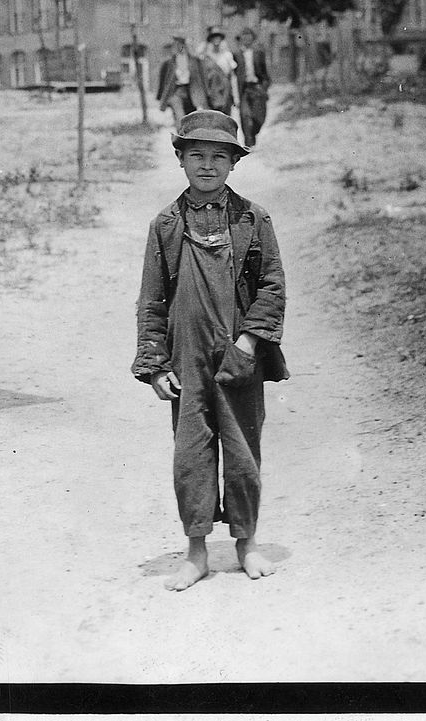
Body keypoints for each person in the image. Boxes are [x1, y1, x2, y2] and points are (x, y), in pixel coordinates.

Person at [131, 109, 289, 591]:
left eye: (219, 156)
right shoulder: (165, 224)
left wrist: (248, 340)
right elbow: (152, 298)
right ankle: (196, 551)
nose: (207, 165)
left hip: (238, 354)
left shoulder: (252, 218)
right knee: (191, 454)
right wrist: (155, 364)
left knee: (243, 451)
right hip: (187, 357)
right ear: (179, 159)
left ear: (233, 163)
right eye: (196, 154)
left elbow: (273, 286)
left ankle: (246, 543)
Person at [156, 34, 208, 128]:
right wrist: (161, 97)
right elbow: (164, 80)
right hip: (176, 91)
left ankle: (188, 139)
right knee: (180, 117)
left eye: (182, 44)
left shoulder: (194, 61)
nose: (180, 47)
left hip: (192, 92)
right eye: (177, 44)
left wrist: (205, 94)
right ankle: (181, 138)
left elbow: (202, 78)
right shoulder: (170, 62)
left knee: (192, 120)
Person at [234, 27, 271, 149]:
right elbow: (233, 74)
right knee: (245, 116)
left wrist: (264, 87)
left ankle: (253, 134)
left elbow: (265, 73)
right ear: (241, 39)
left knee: (259, 117)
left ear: (253, 39)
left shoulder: (259, 53)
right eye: (244, 37)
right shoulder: (236, 54)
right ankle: (249, 143)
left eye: (249, 37)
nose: (246, 39)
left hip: (257, 88)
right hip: (244, 89)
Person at [199, 26, 239, 116]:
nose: (216, 40)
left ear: (221, 39)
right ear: (210, 40)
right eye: (213, 38)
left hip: (225, 91)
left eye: (218, 37)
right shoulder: (206, 58)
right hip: (211, 92)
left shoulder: (227, 56)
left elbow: (232, 77)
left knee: (226, 119)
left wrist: (236, 97)